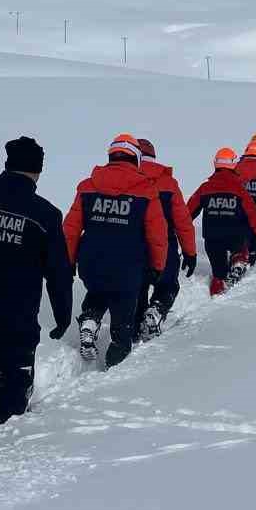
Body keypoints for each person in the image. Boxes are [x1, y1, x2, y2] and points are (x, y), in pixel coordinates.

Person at [0, 136, 74, 425]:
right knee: (16, 384)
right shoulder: (45, 214)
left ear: (7, 164)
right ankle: (6, 436)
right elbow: (59, 273)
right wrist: (63, 315)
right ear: (38, 171)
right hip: (17, 317)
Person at [64, 133, 168, 366]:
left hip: (91, 262)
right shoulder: (146, 190)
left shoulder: (87, 186)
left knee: (98, 291)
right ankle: (115, 364)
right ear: (136, 158)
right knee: (123, 317)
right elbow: (158, 235)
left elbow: (70, 229)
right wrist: (157, 267)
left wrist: (67, 261)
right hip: (128, 267)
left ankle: (90, 319)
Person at [134, 136, 198, 340]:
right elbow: (183, 222)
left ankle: (133, 329)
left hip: (133, 245)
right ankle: (156, 310)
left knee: (137, 288)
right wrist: (190, 253)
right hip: (165, 246)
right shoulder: (168, 183)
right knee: (168, 285)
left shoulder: (127, 180)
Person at [187, 147, 256, 296]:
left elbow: (188, 212)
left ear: (215, 164)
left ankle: (218, 285)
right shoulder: (240, 190)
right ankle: (239, 260)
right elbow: (253, 215)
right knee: (241, 250)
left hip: (212, 238)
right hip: (235, 236)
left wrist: (176, 228)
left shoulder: (205, 188)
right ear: (233, 164)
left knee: (219, 271)